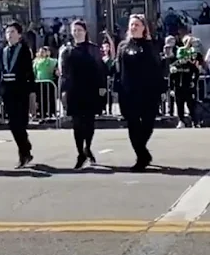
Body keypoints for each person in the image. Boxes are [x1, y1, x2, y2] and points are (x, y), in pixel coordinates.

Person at [115, 14, 165, 171]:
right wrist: (116, 89)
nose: (134, 27)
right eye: (132, 24)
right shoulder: (123, 46)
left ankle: (142, 151)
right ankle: (141, 156)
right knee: (133, 125)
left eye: (137, 24)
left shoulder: (150, 45)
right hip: (128, 92)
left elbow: (158, 68)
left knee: (148, 125)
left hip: (148, 92)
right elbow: (118, 69)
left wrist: (162, 89)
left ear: (144, 27)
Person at [59, 19, 107, 169]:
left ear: (85, 32)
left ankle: (88, 147)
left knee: (89, 123)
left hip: (90, 89)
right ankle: (80, 153)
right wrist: (62, 92)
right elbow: (63, 73)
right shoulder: (67, 50)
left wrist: (102, 89)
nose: (77, 33)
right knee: (77, 124)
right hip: (74, 90)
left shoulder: (93, 49)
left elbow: (101, 70)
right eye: (74, 30)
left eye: (79, 30)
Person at [0, 21, 36, 168]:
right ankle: (24, 152)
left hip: (21, 90)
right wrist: (0, 90)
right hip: (8, 91)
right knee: (13, 124)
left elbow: (29, 72)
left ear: (19, 34)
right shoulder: (1, 52)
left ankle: (24, 151)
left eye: (12, 32)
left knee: (21, 123)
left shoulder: (24, 50)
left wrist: (32, 92)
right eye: (7, 33)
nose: (9, 35)